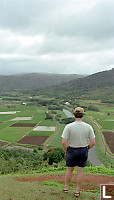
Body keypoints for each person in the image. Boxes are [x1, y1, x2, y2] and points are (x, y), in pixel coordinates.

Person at [61, 107, 95, 197]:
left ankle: (66, 188)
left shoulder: (69, 126)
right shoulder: (88, 126)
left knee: (69, 170)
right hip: (83, 150)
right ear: (83, 115)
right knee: (80, 171)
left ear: (74, 114)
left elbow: (63, 142)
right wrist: (87, 148)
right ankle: (77, 191)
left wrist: (66, 150)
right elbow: (93, 142)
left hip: (72, 149)